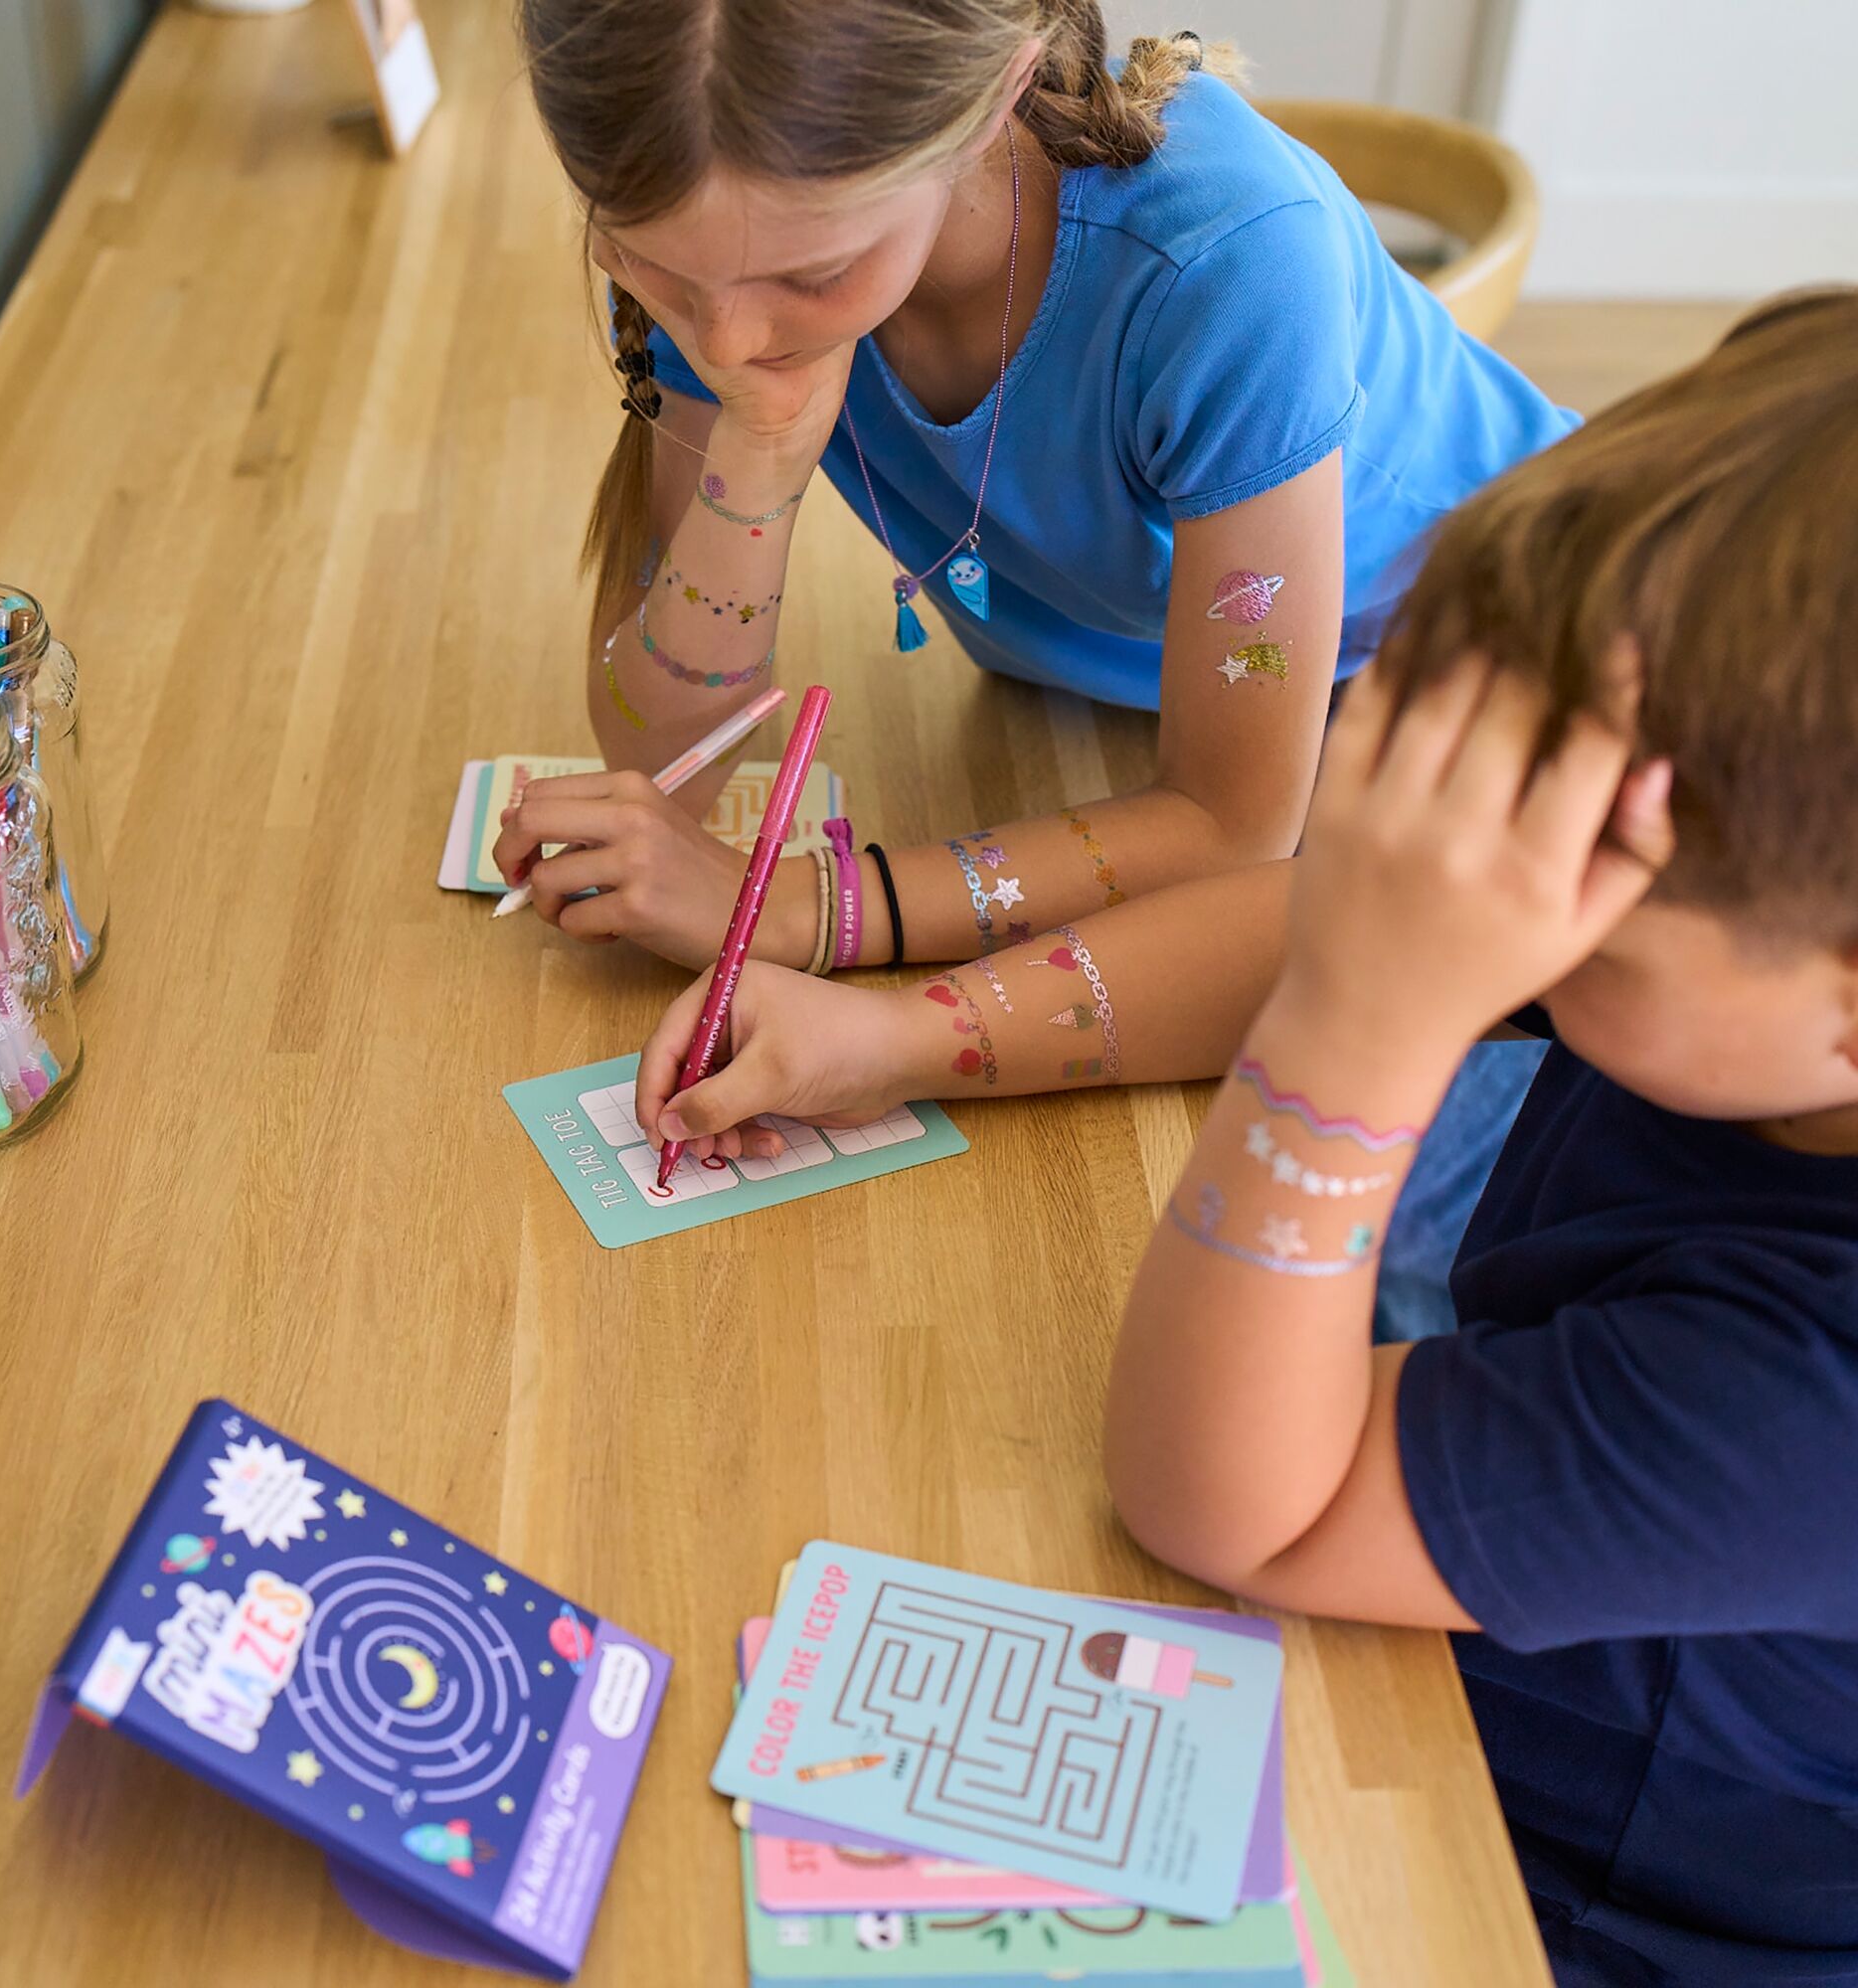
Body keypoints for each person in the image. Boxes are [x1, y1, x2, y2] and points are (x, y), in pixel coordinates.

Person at [504, 0, 1574, 1332]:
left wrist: (816, 914)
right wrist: (759, 457)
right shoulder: (736, 225)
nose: (728, 343)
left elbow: (1238, 826)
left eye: (811, 278)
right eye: (659, 275)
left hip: (1503, 703)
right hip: (1133, 705)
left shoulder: (1227, 269)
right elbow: (659, 760)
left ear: (992, 90)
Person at [1102, 290, 1858, 1984]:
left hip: (1577, 1888)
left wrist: (1356, 1032)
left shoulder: (1819, 1405)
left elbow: (1228, 1508)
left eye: (1570, 923)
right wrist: (922, 1013)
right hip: (1474, 1582)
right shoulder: (1757, 935)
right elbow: (1317, 918)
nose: (1514, 931)